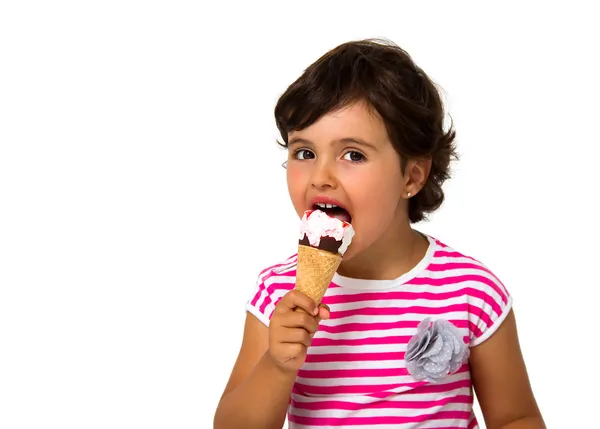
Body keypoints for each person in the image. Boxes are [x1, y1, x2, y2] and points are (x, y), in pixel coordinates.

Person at [213, 38, 545, 429]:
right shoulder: (279, 292)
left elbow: (516, 417)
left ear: (412, 176)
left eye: (353, 154)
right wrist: (277, 364)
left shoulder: (470, 289)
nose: (321, 176)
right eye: (304, 152)